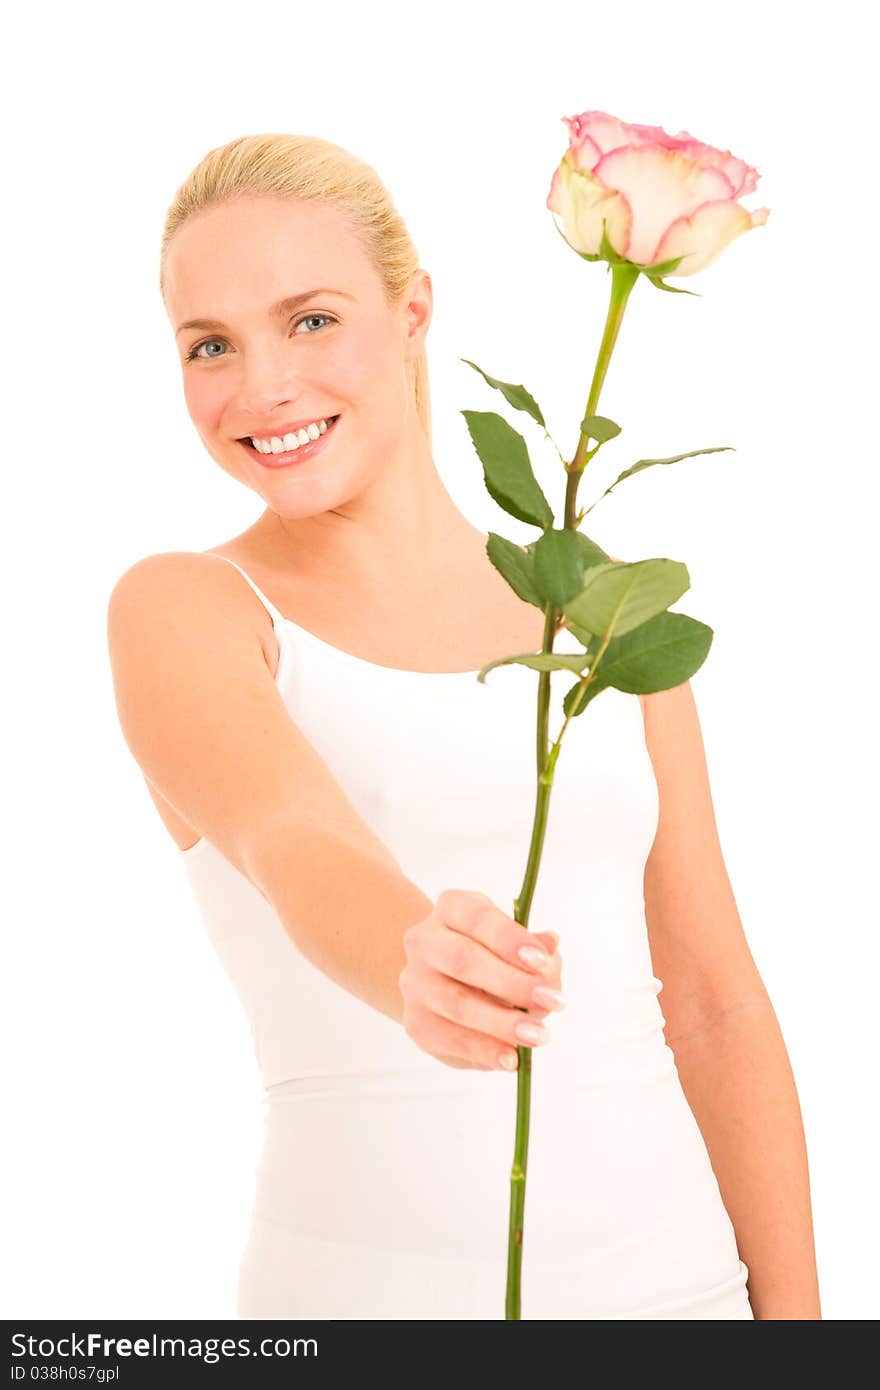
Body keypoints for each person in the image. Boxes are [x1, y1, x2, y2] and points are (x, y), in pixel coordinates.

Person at [106, 133, 820, 1319]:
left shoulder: (604, 603)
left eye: (312, 319)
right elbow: (291, 841)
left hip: (679, 1292)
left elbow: (713, 998)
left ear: (412, 312)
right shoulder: (186, 606)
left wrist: (797, 1335)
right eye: (210, 346)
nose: (263, 385)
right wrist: (410, 952)